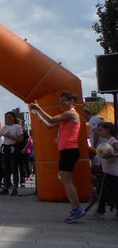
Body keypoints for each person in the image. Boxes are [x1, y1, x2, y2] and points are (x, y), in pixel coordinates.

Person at [29, 91, 85, 223]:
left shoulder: (71, 113)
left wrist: (38, 108)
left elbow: (52, 119)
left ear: (72, 101)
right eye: (60, 102)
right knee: (66, 181)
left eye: (63, 101)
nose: (61, 104)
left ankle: (77, 209)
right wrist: (37, 115)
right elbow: (49, 126)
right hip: (67, 151)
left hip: (69, 151)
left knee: (67, 181)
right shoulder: (67, 117)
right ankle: (76, 209)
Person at [0, 112, 23, 196]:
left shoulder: (17, 127)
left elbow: (21, 139)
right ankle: (6, 188)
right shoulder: (4, 128)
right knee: (6, 169)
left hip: (14, 149)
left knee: (14, 169)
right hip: (6, 149)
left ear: (14, 118)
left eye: (10, 117)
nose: (8, 119)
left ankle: (15, 188)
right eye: (7, 117)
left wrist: (10, 137)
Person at [95, 122, 118, 219]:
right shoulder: (108, 141)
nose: (99, 133)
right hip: (110, 171)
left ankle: (100, 211)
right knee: (113, 191)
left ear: (107, 130)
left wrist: (112, 155)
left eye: (101, 130)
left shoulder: (113, 141)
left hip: (110, 171)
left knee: (101, 190)